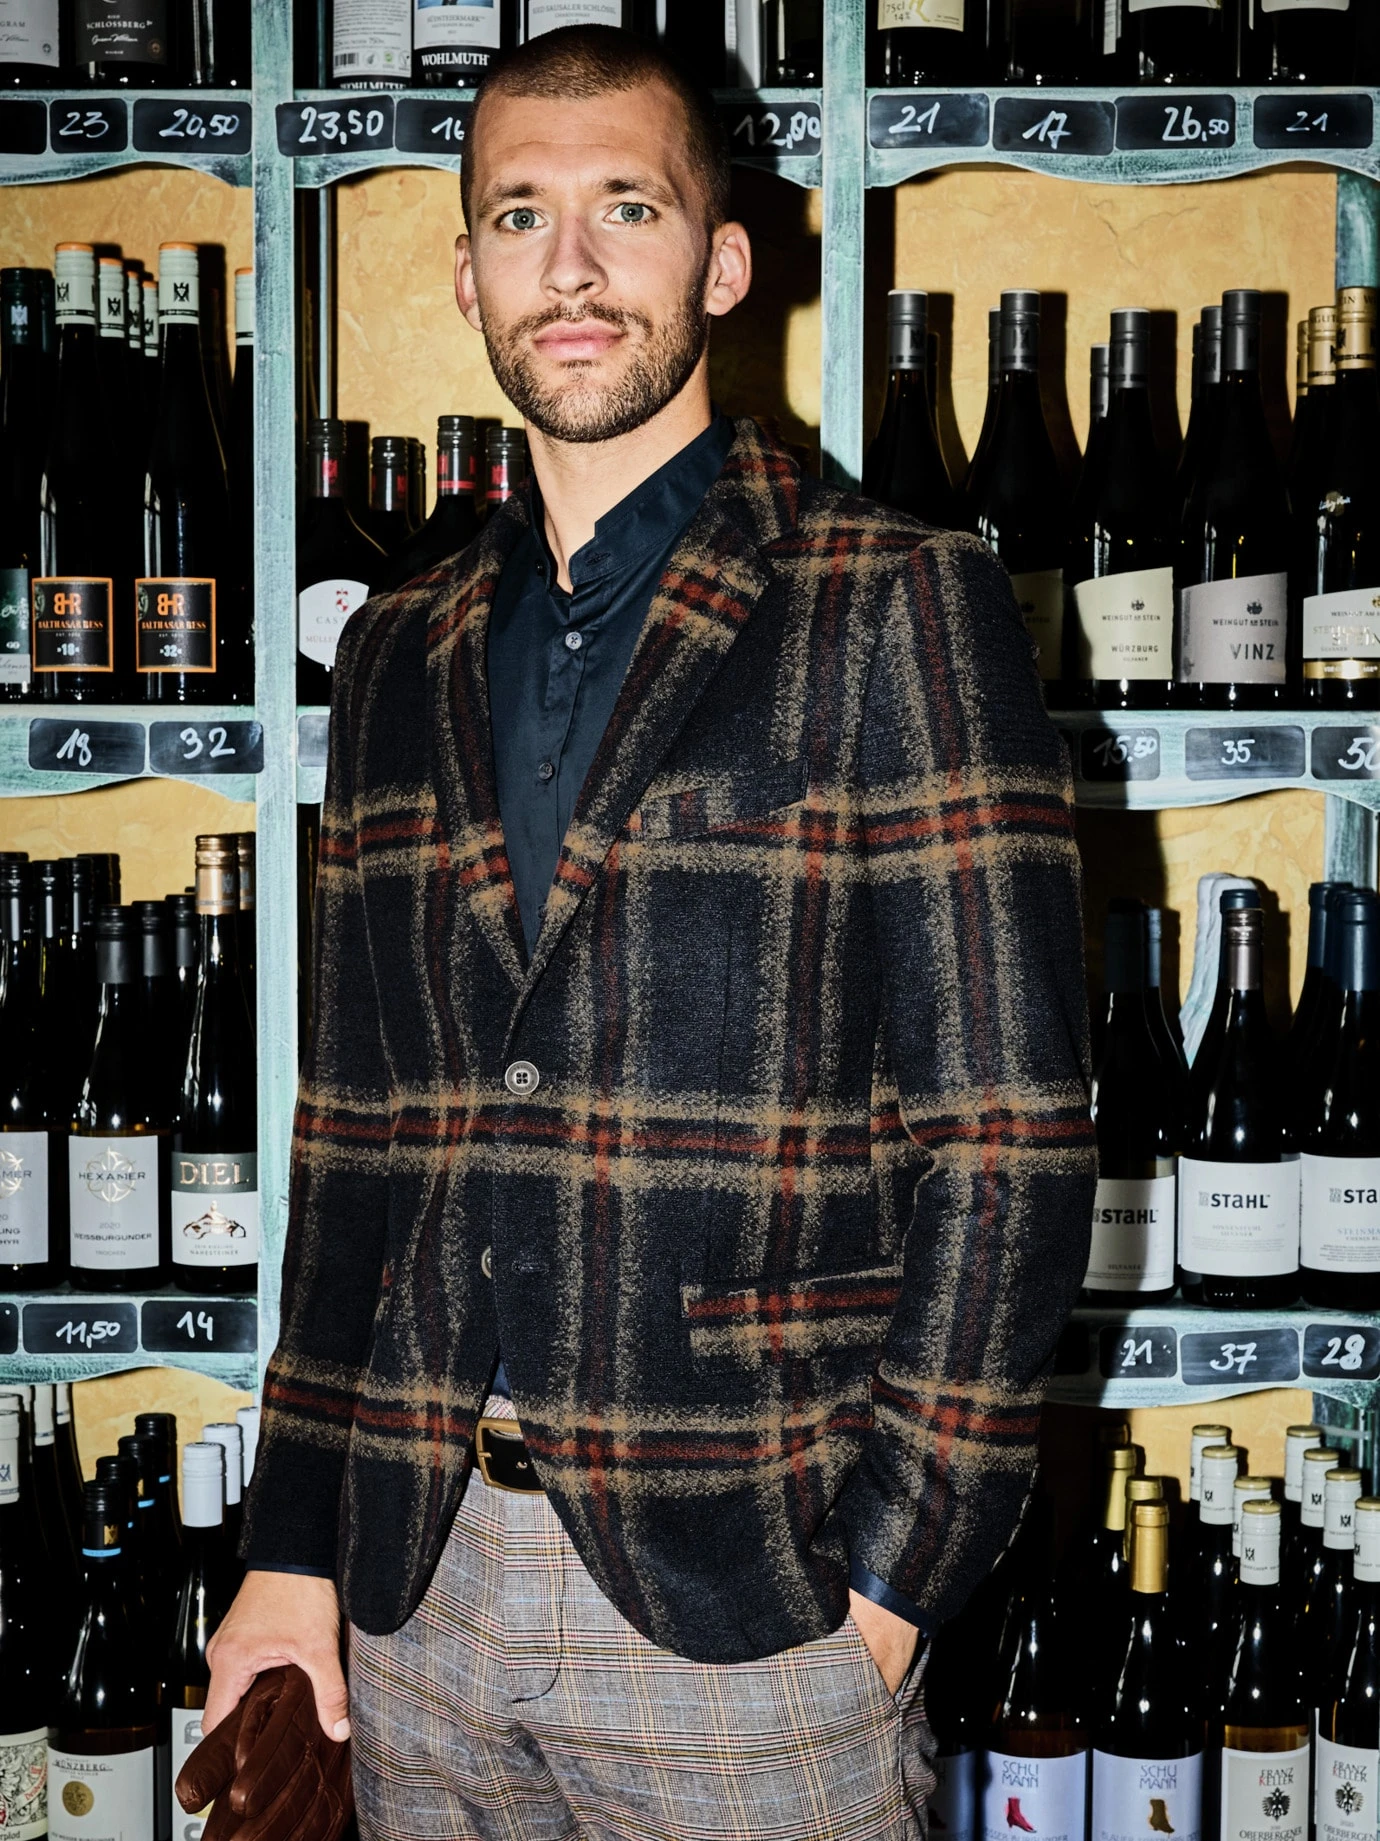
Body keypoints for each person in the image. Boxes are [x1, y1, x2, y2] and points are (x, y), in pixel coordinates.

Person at [208, 24, 1095, 1839]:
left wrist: (895, 1583)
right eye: (518, 216)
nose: (572, 265)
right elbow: (354, 1136)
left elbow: (1008, 1138)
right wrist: (290, 1549)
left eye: (628, 206)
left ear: (725, 258)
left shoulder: (896, 601)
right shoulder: (393, 653)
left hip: (756, 1601)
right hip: (420, 1587)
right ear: (465, 275)